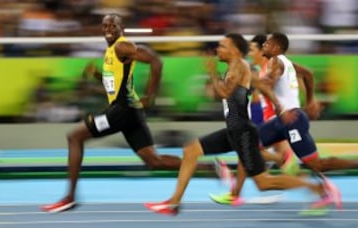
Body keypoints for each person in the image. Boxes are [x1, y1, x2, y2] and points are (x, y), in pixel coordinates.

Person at [144, 33, 337, 216]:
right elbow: (261, 86)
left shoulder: (239, 66)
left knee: (263, 183)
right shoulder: (238, 68)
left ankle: (315, 187)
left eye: (222, 46)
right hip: (233, 130)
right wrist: (279, 106)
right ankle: (174, 203)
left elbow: (225, 93)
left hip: (243, 132)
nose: (218, 49)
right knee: (191, 150)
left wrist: (212, 73)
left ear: (234, 50)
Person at [40, 14, 208, 213]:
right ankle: (210, 169)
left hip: (122, 111)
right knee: (153, 161)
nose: (108, 28)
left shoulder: (122, 46)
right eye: (105, 25)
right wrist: (97, 76)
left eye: (113, 25)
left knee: (74, 137)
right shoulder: (112, 51)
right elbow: (114, 88)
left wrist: (150, 95)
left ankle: (69, 197)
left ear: (122, 28)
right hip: (130, 112)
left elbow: (156, 61)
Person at [214, 33, 358, 209]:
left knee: (317, 164)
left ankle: (339, 174)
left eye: (267, 44)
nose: (264, 46)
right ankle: (235, 194)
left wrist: (250, 82)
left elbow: (270, 83)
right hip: (280, 122)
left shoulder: (276, 62)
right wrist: (311, 99)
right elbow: (308, 73)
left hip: (292, 120)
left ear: (276, 48)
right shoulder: (283, 63)